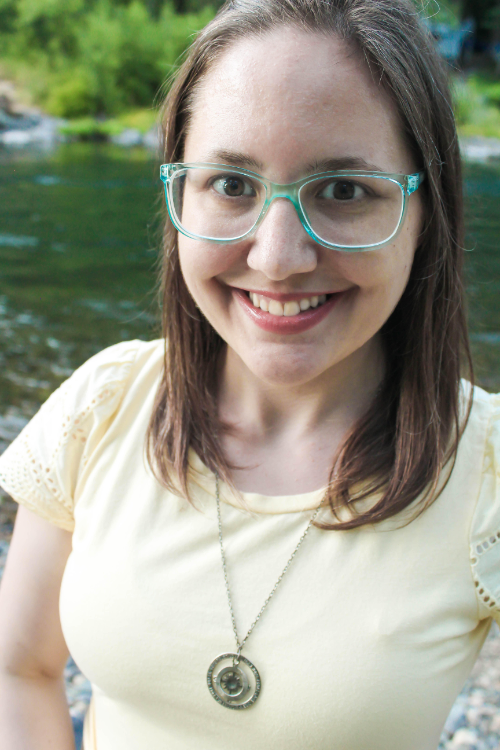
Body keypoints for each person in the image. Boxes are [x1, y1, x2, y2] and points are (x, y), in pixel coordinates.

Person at [0, 0, 498, 748]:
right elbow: (23, 669)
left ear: (426, 212)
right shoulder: (103, 406)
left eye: (343, 191)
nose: (276, 256)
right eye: (232, 185)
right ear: (178, 195)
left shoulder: (485, 469)